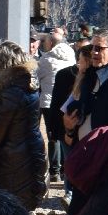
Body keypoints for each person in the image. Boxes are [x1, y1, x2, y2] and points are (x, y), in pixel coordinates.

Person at [0, 42, 46, 210]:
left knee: (7, 210)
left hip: (11, 159)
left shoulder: (11, 93)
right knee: (20, 208)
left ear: (3, 63)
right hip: (27, 152)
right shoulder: (28, 85)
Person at [36, 30, 75, 184]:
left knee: (53, 136)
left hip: (48, 101)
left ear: (51, 43)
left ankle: (54, 170)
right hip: (67, 101)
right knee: (66, 134)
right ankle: (66, 169)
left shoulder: (46, 60)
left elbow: (36, 77)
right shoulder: (72, 56)